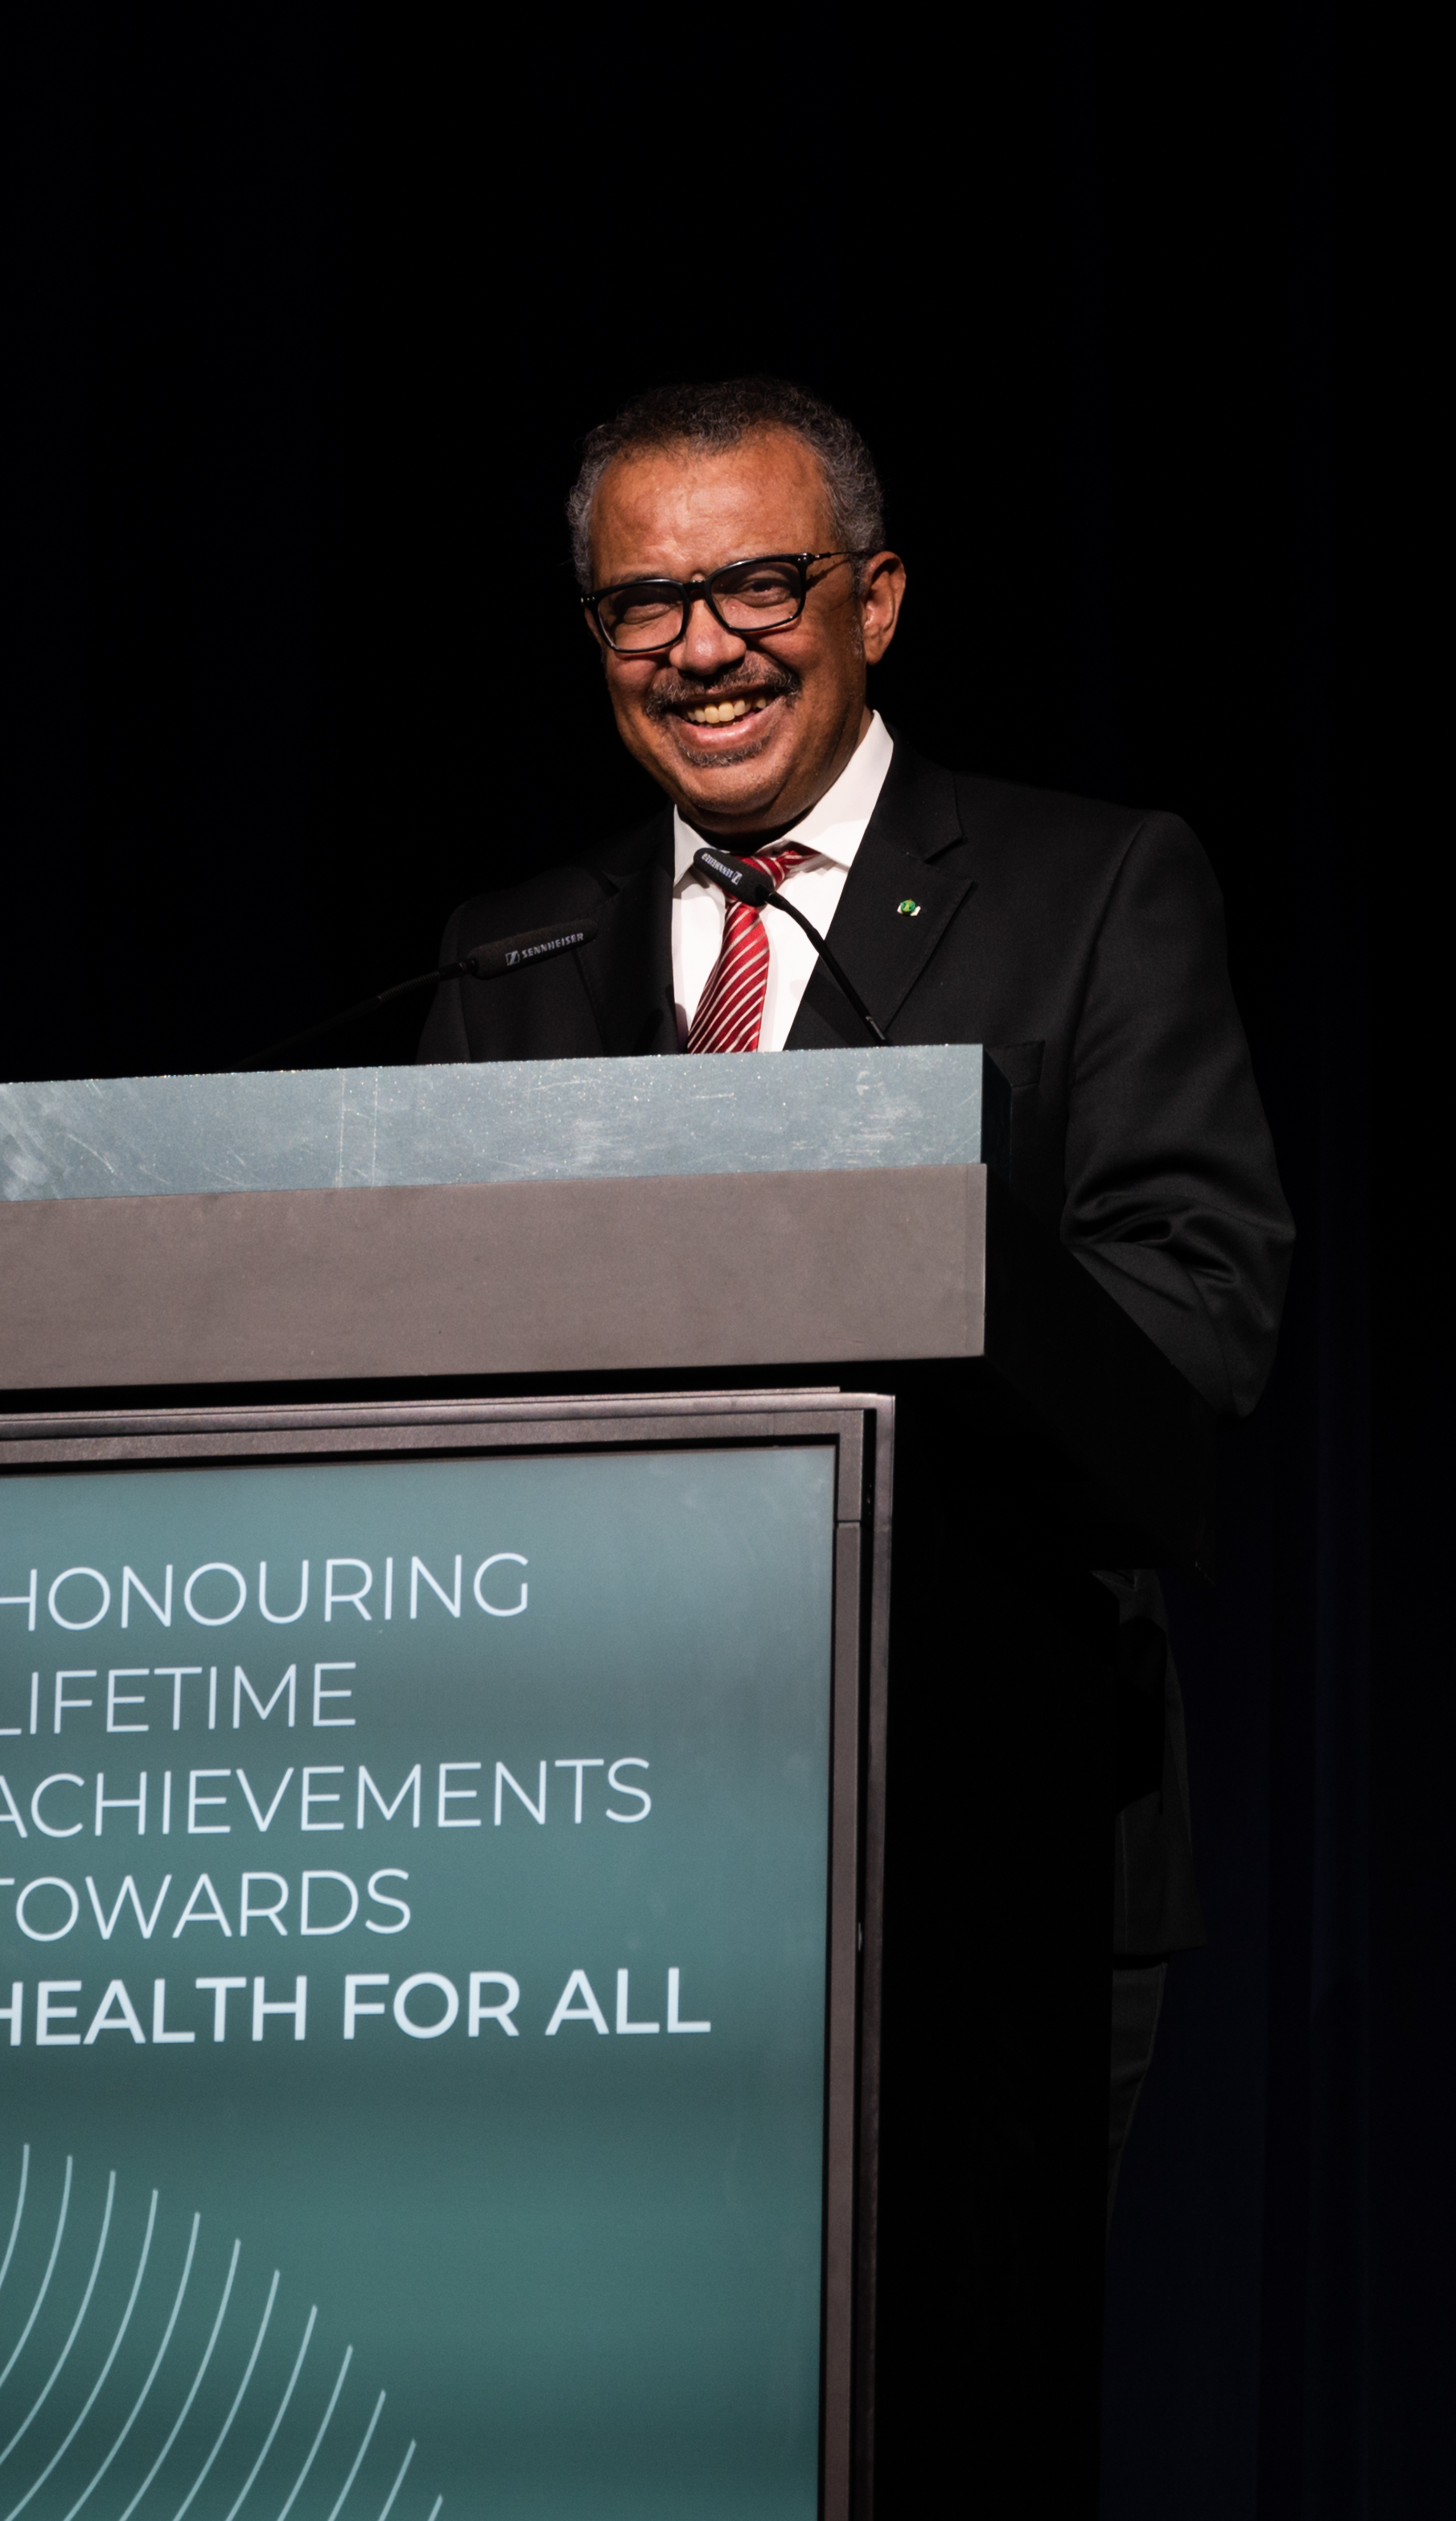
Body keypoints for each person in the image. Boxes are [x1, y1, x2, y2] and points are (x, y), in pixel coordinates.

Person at [418, 376, 1294, 2217]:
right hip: (589, 1860)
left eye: (758, 587)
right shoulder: (518, 948)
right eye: (640, 604)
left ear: (872, 602)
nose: (701, 650)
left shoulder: (1089, 888)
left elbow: (1201, 1307)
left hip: (987, 1829)